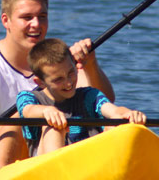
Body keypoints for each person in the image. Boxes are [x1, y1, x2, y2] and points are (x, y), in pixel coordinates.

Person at [0, 0, 115, 168]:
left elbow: (103, 103)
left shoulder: (61, 62)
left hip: (53, 149)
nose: (36, 24)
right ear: (6, 20)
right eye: (26, 17)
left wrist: (90, 64)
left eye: (42, 16)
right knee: (15, 119)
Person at [16, 38, 145, 157]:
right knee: (54, 127)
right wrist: (46, 111)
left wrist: (129, 114)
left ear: (75, 66)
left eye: (71, 73)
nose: (68, 83)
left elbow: (114, 111)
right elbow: (28, 110)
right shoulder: (28, 97)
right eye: (58, 79)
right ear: (40, 82)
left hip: (91, 164)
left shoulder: (89, 95)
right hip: (48, 169)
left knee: (117, 121)